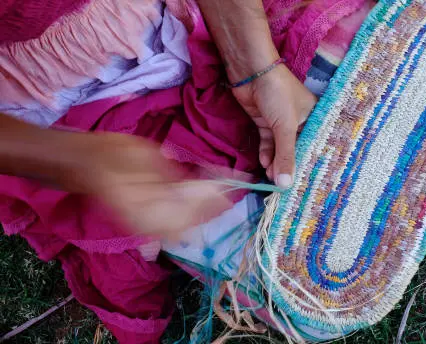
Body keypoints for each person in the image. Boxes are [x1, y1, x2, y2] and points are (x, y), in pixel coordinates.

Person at [0, 0, 316, 239]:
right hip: (58, 104)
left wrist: (256, 66)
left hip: (200, 12)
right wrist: (75, 160)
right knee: (254, 244)